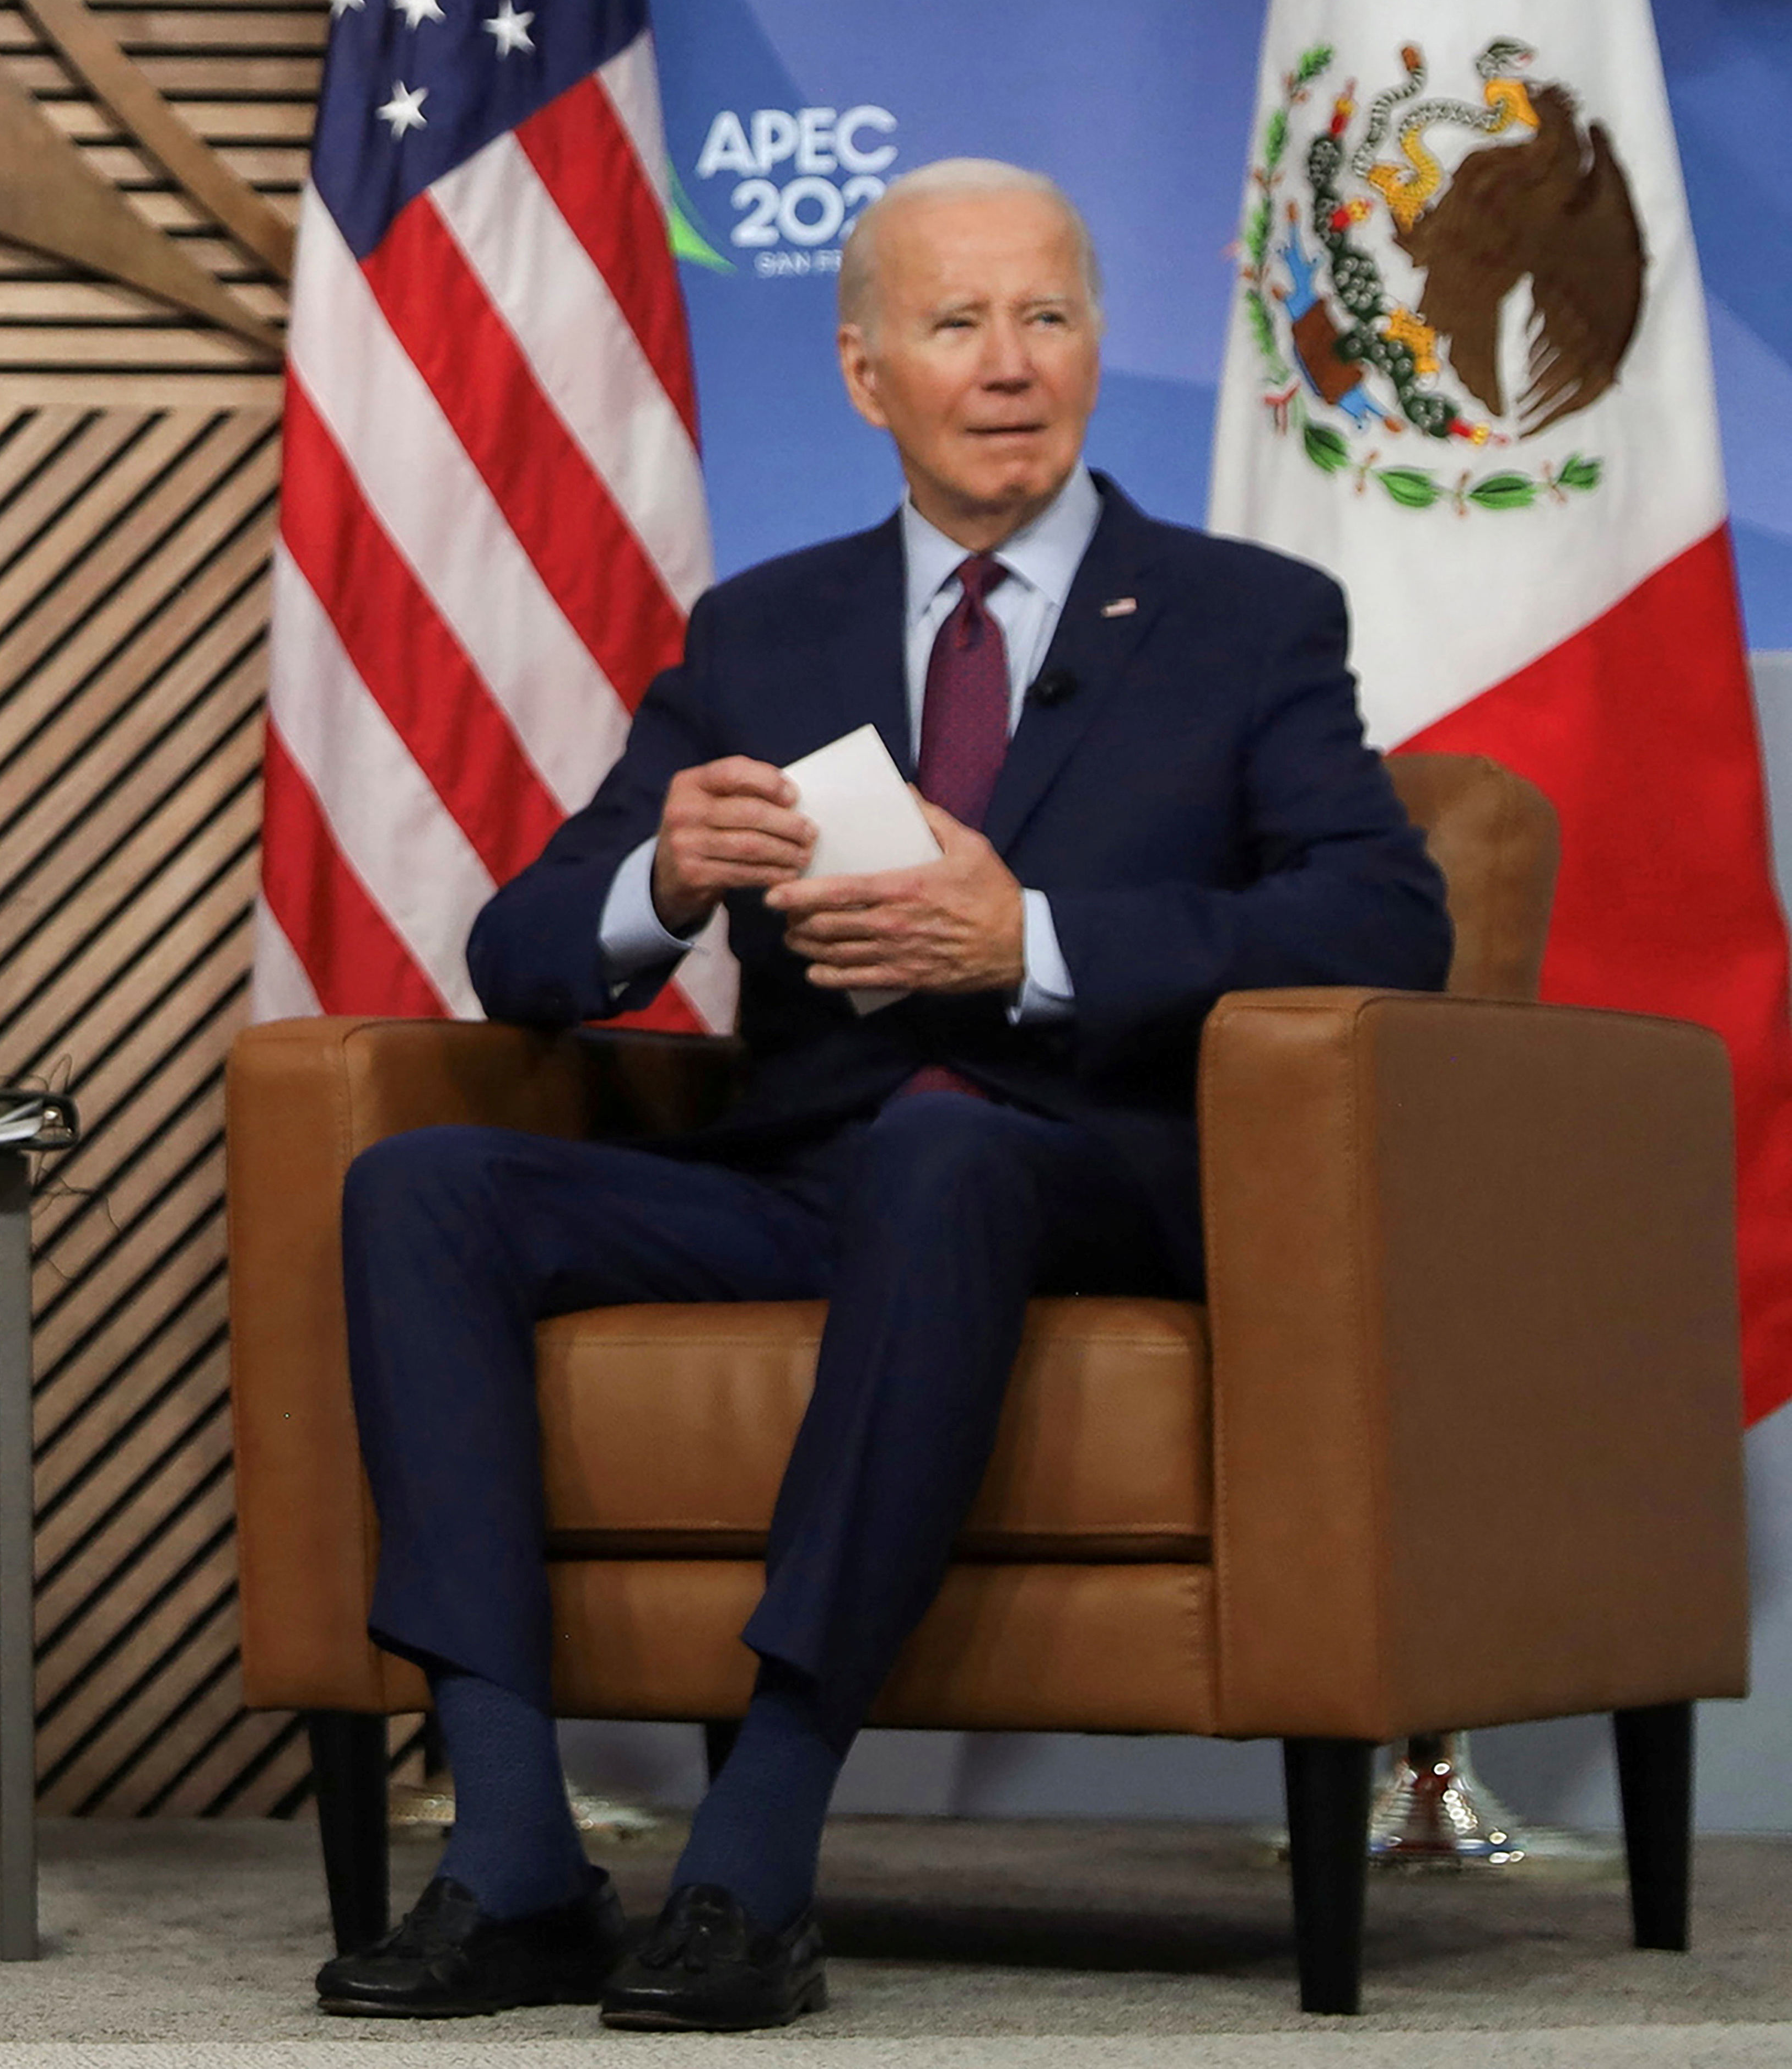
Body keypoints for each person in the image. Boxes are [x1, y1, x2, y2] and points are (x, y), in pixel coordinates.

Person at [311, 161, 1450, 2032]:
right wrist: (660, 877)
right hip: (802, 1173)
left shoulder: (1250, 619)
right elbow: (520, 956)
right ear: (862, 373)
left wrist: (1036, 942)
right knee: (420, 1186)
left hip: (1091, 1172)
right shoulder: (762, 630)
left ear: (1094, 345)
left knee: (944, 1147)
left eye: (1049, 318)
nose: (1009, 368)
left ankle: (756, 1845)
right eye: (954, 324)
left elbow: (1381, 920)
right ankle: (511, 1849)